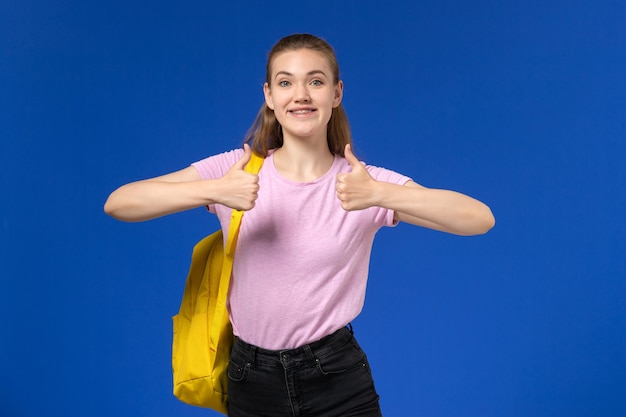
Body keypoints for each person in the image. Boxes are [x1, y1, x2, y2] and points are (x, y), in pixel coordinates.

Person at [104, 33, 495, 417]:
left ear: (336, 94)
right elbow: (120, 204)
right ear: (270, 96)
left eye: (316, 81)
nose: (301, 94)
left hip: (336, 378)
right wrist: (215, 189)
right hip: (249, 379)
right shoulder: (234, 172)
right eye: (286, 82)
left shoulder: (363, 182)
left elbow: (478, 219)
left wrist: (380, 194)